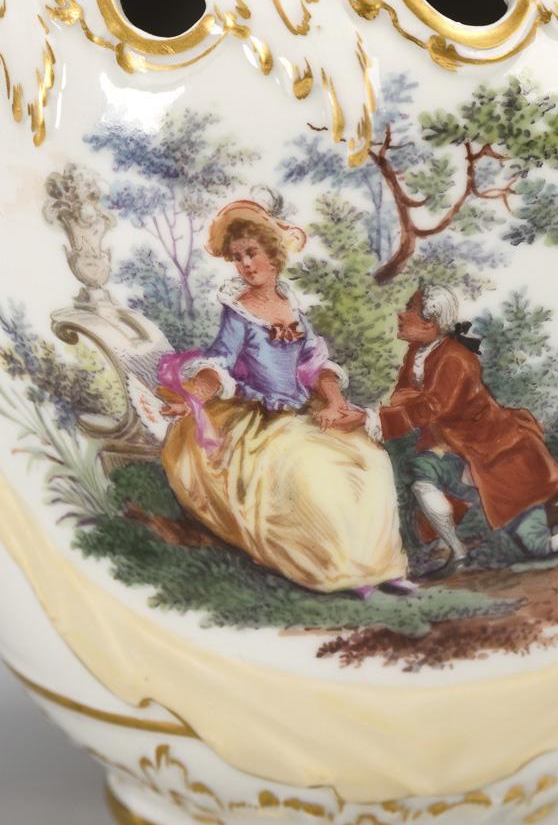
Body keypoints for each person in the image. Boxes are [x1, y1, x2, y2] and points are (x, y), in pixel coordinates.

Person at [157, 200, 411, 596]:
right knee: (308, 470)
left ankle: (381, 564)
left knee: (369, 458)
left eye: (251, 253)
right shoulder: (238, 312)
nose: (246, 264)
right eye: (237, 257)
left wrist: (333, 401)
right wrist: (193, 398)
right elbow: (219, 363)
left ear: (273, 253)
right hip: (259, 417)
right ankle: (342, 571)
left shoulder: (292, 306)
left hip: (301, 411)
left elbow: (314, 364)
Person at [329, 286, 558, 578]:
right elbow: (406, 397)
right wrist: (377, 412)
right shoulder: (417, 353)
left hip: (500, 456)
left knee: (536, 543)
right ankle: (458, 553)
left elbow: (432, 407)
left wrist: (371, 418)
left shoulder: (456, 359)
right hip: (458, 452)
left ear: (430, 323)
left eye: (409, 308)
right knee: (422, 474)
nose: (400, 314)